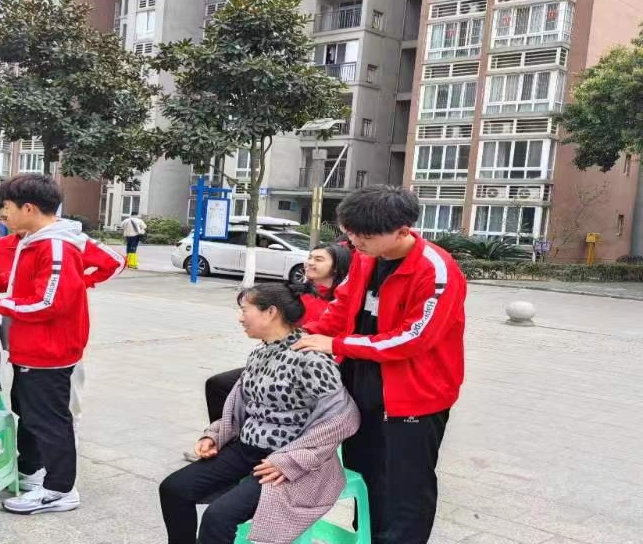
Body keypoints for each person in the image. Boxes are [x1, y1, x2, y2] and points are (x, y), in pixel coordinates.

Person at [292, 186, 466, 544]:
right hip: (362, 378)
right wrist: (307, 334)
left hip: (413, 392)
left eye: (366, 236)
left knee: (406, 485)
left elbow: (414, 338)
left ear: (402, 231)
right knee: (365, 469)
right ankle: (371, 536)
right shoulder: (364, 256)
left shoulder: (435, 270)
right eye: (351, 233)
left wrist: (336, 344)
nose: (355, 243)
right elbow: (343, 306)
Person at [159, 283, 360, 544]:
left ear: (270, 312)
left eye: (245, 310)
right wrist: (214, 435)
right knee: (174, 490)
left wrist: (290, 460)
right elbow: (240, 407)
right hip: (246, 450)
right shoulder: (260, 352)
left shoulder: (311, 359)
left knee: (218, 517)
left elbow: (342, 418)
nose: (240, 317)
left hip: (287, 460)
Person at [0, 175, 88, 515]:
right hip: (30, 348)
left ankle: (60, 489)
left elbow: (50, 303)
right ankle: (32, 472)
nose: (3, 215)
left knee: (49, 420)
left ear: (28, 208)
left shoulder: (55, 246)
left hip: (48, 351)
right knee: (31, 414)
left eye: (6, 207)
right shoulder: (34, 242)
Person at [201, 243, 351, 435]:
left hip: (319, 364)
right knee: (219, 384)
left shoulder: (346, 301)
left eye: (319, 259)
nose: (310, 263)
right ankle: (226, 434)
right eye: (310, 257)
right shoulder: (295, 294)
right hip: (283, 358)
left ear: (337, 267)